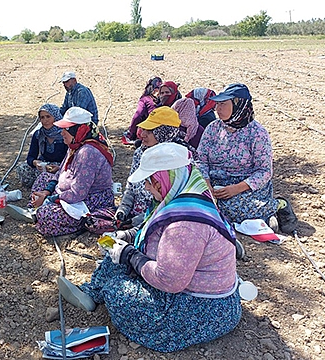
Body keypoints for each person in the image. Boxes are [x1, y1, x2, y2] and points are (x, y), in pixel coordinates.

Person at [60, 142, 242, 353]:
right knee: (117, 253)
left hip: (202, 309)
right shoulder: (188, 191)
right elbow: (149, 229)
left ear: (162, 179)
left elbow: (169, 280)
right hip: (203, 293)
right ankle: (92, 293)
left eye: (149, 181)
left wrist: (131, 256)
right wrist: (128, 237)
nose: (146, 187)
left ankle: (100, 292)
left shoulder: (185, 226)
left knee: (116, 291)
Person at [8, 107, 114, 237]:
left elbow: (78, 193)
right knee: (44, 177)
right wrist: (47, 191)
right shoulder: (75, 145)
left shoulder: (88, 153)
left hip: (89, 199)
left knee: (47, 216)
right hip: (67, 193)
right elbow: (61, 172)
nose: (62, 133)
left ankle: (47, 214)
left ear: (79, 131)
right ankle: (35, 209)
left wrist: (49, 199)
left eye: (66, 129)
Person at [196, 83, 278, 226]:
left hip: (243, 186)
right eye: (217, 104)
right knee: (194, 202)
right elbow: (201, 160)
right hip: (214, 183)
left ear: (239, 105)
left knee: (231, 208)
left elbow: (264, 171)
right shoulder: (213, 128)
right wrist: (206, 184)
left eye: (223, 104)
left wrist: (236, 188)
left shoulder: (257, 133)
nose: (217, 109)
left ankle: (277, 207)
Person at [115, 106, 189, 227]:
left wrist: (137, 221)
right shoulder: (140, 153)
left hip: (159, 218)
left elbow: (169, 203)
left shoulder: (177, 160)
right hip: (134, 214)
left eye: (149, 132)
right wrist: (123, 210)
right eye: (143, 129)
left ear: (163, 133)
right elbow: (131, 187)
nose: (142, 134)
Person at [15, 104, 68, 188]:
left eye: (48, 117)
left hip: (61, 166)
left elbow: (71, 159)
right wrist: (35, 163)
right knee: (22, 168)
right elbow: (31, 157)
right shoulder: (39, 134)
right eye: (42, 117)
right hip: (44, 165)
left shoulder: (65, 134)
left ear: (55, 117)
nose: (45, 120)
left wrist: (59, 167)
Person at [122, 76, 162, 145]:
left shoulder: (145, 99)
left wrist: (131, 134)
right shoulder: (165, 101)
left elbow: (137, 116)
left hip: (149, 129)